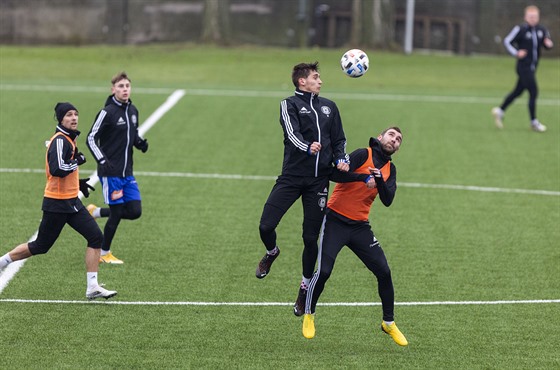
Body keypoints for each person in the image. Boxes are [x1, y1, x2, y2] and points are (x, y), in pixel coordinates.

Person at [256, 62, 350, 316]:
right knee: (266, 225)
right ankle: (271, 252)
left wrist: (342, 158)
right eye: (316, 77)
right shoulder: (289, 105)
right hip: (292, 178)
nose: (320, 81)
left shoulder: (330, 107)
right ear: (302, 82)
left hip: (318, 182)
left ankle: (305, 287)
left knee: (310, 238)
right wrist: (307, 146)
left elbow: (340, 139)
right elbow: (291, 133)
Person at [302, 127, 408, 347]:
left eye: (398, 140)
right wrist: (362, 177)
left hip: (360, 227)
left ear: (397, 148)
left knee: (384, 272)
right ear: (380, 137)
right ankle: (309, 314)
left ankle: (388, 323)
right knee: (323, 271)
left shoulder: (390, 169)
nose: (394, 140)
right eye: (391, 135)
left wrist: (378, 180)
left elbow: (388, 200)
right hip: (335, 220)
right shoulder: (363, 154)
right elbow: (333, 174)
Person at [0, 103, 117, 300]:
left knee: (96, 237)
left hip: (71, 201)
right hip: (57, 203)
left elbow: (64, 169)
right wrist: (77, 162)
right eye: (69, 115)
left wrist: (78, 184)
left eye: (76, 114)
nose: (74, 118)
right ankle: (3, 261)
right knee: (40, 246)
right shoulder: (60, 140)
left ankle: (92, 287)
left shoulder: (69, 139)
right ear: (60, 119)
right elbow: (57, 169)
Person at [86, 71, 149, 264]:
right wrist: (102, 160)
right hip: (110, 172)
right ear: (113, 89)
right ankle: (104, 253)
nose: (125, 90)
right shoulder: (107, 112)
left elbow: (132, 133)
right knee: (116, 213)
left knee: (134, 211)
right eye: (120, 86)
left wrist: (140, 143)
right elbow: (90, 137)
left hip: (127, 172)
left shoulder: (133, 110)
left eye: (127, 86)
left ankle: (95, 212)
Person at [492, 5, 554, 132]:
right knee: (533, 91)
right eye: (531, 16)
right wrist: (516, 53)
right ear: (526, 17)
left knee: (518, 91)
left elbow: (546, 43)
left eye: (535, 17)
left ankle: (500, 110)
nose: (533, 19)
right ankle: (534, 122)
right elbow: (507, 41)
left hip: (533, 67)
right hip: (523, 67)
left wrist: (549, 45)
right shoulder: (520, 29)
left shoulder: (541, 30)